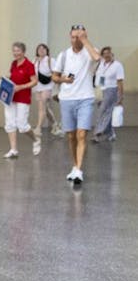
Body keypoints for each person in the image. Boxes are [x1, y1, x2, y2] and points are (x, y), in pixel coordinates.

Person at [51, 25, 101, 185]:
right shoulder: (64, 55)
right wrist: (63, 79)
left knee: (81, 134)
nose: (76, 40)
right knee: (71, 135)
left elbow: (96, 58)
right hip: (67, 98)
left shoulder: (90, 51)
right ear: (69, 37)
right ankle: (74, 165)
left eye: (78, 36)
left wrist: (85, 40)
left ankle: (79, 169)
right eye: (73, 37)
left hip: (85, 98)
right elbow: (54, 76)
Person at [2, 42, 41, 158]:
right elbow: (13, 76)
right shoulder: (13, 63)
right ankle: (13, 150)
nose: (15, 53)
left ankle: (36, 139)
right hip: (10, 97)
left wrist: (21, 87)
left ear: (23, 52)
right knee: (9, 123)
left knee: (22, 125)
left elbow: (34, 81)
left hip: (23, 97)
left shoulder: (29, 65)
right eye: (14, 50)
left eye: (18, 51)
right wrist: (6, 78)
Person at [93, 46, 125, 142]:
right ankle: (111, 134)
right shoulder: (101, 64)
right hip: (100, 90)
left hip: (111, 90)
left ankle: (98, 133)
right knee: (106, 112)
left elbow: (120, 82)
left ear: (112, 54)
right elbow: (98, 76)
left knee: (103, 111)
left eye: (108, 53)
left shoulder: (117, 65)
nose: (106, 55)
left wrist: (121, 96)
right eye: (104, 53)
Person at [32, 43, 61, 138]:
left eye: (43, 49)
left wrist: (58, 86)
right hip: (38, 87)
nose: (41, 50)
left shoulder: (50, 60)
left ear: (46, 50)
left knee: (42, 106)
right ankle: (55, 124)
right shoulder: (35, 61)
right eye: (39, 49)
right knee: (45, 108)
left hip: (48, 86)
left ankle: (38, 128)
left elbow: (56, 73)